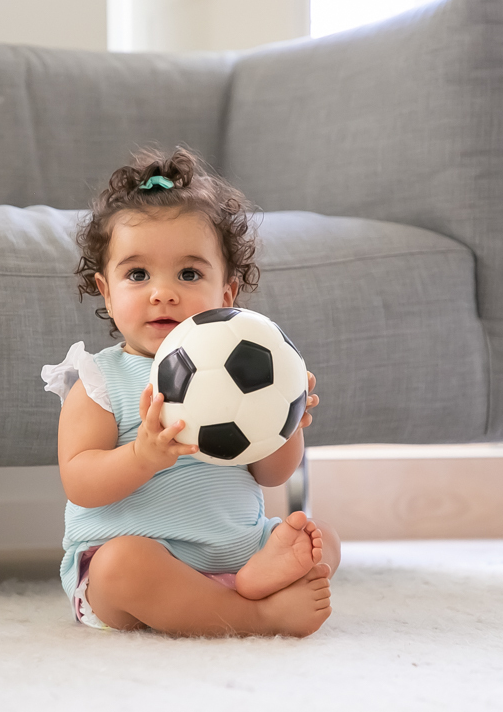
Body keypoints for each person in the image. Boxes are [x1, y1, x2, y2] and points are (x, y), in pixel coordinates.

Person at [41, 147, 340, 637]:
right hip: (142, 563)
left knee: (319, 537)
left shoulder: (251, 366)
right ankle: (255, 614)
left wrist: (285, 422)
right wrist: (141, 456)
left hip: (235, 549)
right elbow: (81, 483)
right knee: (121, 567)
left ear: (226, 294)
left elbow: (271, 475)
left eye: (189, 273)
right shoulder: (99, 381)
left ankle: (246, 580)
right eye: (137, 274)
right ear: (106, 290)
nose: (163, 292)